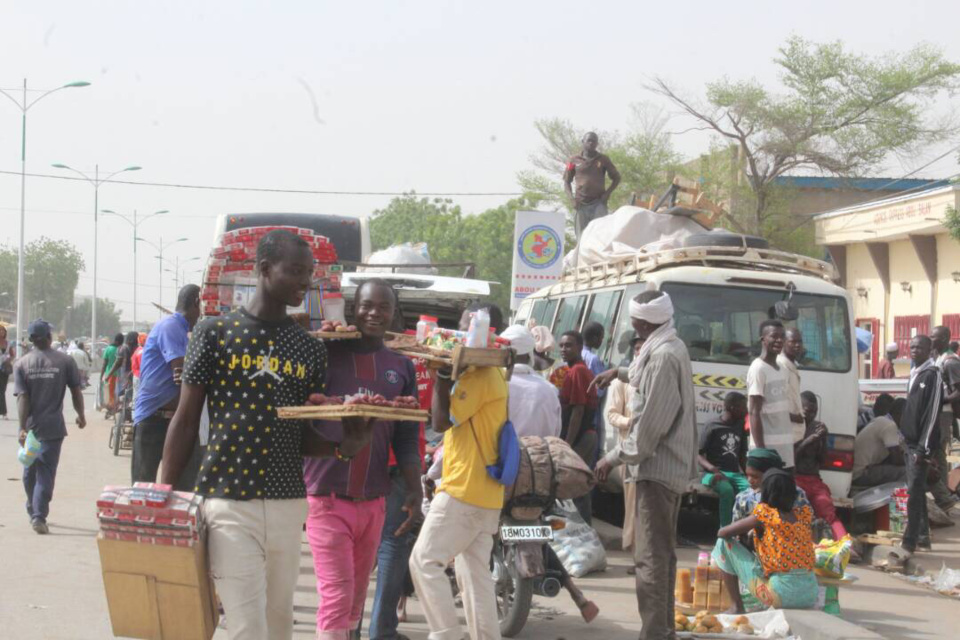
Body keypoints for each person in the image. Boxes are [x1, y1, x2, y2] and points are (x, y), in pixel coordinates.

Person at [160, 230, 377, 640]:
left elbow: (302, 434)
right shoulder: (214, 333)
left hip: (287, 505)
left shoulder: (309, 350)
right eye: (295, 271)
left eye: (309, 273)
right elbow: (186, 420)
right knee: (247, 628)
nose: (305, 282)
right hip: (226, 501)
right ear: (264, 270)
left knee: (277, 627)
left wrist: (343, 448)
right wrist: (163, 492)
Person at [303, 279, 423, 640]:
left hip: (374, 500)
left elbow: (405, 437)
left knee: (355, 599)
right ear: (353, 310)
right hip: (326, 496)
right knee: (337, 596)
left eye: (383, 307)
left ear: (393, 314)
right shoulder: (324, 355)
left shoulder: (401, 368)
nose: (374, 313)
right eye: (367, 306)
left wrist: (415, 488)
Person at [593, 289, 697, 640]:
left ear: (642, 322)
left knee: (650, 562)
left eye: (634, 320)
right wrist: (618, 372)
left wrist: (610, 458)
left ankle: (654, 633)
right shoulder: (668, 346)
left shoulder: (664, 356)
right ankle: (663, 631)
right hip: (665, 470)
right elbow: (642, 375)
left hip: (656, 471)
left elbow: (648, 430)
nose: (632, 325)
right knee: (661, 559)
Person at [409, 303, 509, 640]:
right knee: (473, 573)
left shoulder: (479, 375)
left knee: (424, 562)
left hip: (464, 490)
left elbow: (440, 421)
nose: (460, 336)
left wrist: (439, 372)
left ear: (488, 333)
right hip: (487, 494)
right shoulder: (492, 373)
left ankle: (446, 634)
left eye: (469, 328)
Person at [14, 319, 85, 534]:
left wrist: (22, 427)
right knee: (45, 472)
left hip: (31, 427)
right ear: (49, 337)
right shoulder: (65, 361)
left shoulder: (22, 363)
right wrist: (81, 415)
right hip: (53, 427)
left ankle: (34, 510)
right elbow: (75, 391)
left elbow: (22, 398)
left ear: (32, 340)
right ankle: (38, 514)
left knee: (29, 472)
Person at [713, 469, 818, 613]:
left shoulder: (765, 514)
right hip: (810, 596)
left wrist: (746, 533)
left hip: (780, 596)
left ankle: (736, 606)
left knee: (723, 544)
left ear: (766, 492)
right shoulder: (803, 515)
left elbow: (723, 533)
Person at [132, 286, 204, 489]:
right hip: (155, 418)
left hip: (174, 417)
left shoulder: (184, 331)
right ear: (196, 302)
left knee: (184, 486)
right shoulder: (171, 326)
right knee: (143, 485)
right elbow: (181, 371)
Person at [899, 335, 942, 553]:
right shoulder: (914, 373)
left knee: (914, 493)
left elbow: (932, 415)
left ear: (929, 350)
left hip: (920, 446)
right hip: (909, 441)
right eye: (912, 346)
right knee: (915, 489)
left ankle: (910, 541)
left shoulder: (933, 375)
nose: (914, 350)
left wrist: (924, 448)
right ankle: (923, 535)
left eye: (920, 347)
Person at [550, 330, 599, 523]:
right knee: (576, 486)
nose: (563, 349)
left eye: (569, 345)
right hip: (580, 435)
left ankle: (583, 530)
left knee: (574, 486)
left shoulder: (578, 371)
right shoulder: (570, 370)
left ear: (580, 347)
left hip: (581, 436)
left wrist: (567, 444)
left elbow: (578, 410)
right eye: (561, 345)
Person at [606, 336, 642, 554]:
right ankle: (634, 549)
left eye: (643, 348)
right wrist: (629, 423)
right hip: (628, 449)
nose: (640, 352)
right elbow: (612, 414)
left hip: (651, 453)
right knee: (632, 504)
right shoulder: (622, 382)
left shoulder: (655, 378)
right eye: (637, 349)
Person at [794, 392, 847, 540]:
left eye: (814, 412)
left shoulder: (818, 428)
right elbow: (790, 458)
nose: (811, 415)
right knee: (798, 512)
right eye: (807, 411)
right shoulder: (792, 427)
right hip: (795, 478)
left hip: (813, 479)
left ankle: (844, 544)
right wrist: (810, 440)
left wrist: (822, 441)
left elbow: (822, 460)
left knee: (827, 509)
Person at [698, 392, 751, 528]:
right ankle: (726, 531)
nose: (746, 410)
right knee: (727, 490)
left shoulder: (740, 426)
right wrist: (712, 469)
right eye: (743, 407)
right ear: (732, 408)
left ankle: (744, 530)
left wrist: (747, 474)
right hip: (711, 473)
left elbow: (741, 454)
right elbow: (698, 454)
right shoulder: (712, 425)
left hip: (733, 473)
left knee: (749, 491)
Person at [747, 320, 795, 468]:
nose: (779, 340)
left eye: (782, 336)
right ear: (763, 339)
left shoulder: (782, 368)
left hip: (785, 448)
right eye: (774, 336)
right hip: (767, 450)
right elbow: (754, 412)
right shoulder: (758, 369)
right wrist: (761, 452)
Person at [502, 325, 562, 439]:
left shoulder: (493, 383)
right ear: (530, 353)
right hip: (537, 455)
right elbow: (556, 433)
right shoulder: (550, 391)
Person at [563, 131, 621, 239]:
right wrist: (572, 199)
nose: (591, 143)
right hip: (581, 204)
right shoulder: (573, 160)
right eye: (589, 140)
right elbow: (566, 181)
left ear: (597, 144)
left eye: (594, 141)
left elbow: (617, 178)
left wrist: (607, 194)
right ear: (583, 142)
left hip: (598, 203)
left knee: (601, 237)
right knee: (581, 238)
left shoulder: (603, 159)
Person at [930, 326, 960, 512]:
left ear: (944, 339)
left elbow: (957, 391)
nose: (931, 339)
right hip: (939, 411)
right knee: (937, 453)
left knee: (937, 453)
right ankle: (943, 498)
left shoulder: (950, 362)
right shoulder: (939, 358)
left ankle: (943, 498)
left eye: (935, 337)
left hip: (944, 412)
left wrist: (940, 401)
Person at [854, 398, 907, 487]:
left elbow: (901, 451)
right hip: (860, 473)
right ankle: (896, 500)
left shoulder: (881, 420)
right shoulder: (890, 425)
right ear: (900, 414)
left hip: (858, 470)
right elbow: (897, 459)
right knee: (907, 472)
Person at [777, 327, 806, 442]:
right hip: (783, 432)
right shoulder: (780, 366)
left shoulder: (792, 365)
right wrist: (796, 418)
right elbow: (773, 404)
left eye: (799, 342)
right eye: (793, 342)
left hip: (793, 435)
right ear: (783, 343)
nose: (797, 345)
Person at [101, 333, 123, 416]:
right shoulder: (121, 349)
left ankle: (111, 410)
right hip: (119, 375)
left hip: (109, 375)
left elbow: (104, 363)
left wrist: (101, 375)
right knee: (116, 393)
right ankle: (114, 408)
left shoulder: (108, 349)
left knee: (110, 393)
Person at [0, 325, 15, 419]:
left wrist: (8, 359)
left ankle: (3, 412)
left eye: (3, 331)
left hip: (4, 369)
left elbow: (12, 355)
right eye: (0, 330)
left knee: (2, 390)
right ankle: (4, 412)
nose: (2, 332)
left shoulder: (8, 343)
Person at [131, 332, 147, 400]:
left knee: (136, 395)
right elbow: (143, 366)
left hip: (136, 376)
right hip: (142, 376)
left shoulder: (137, 350)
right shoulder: (143, 351)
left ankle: (134, 410)